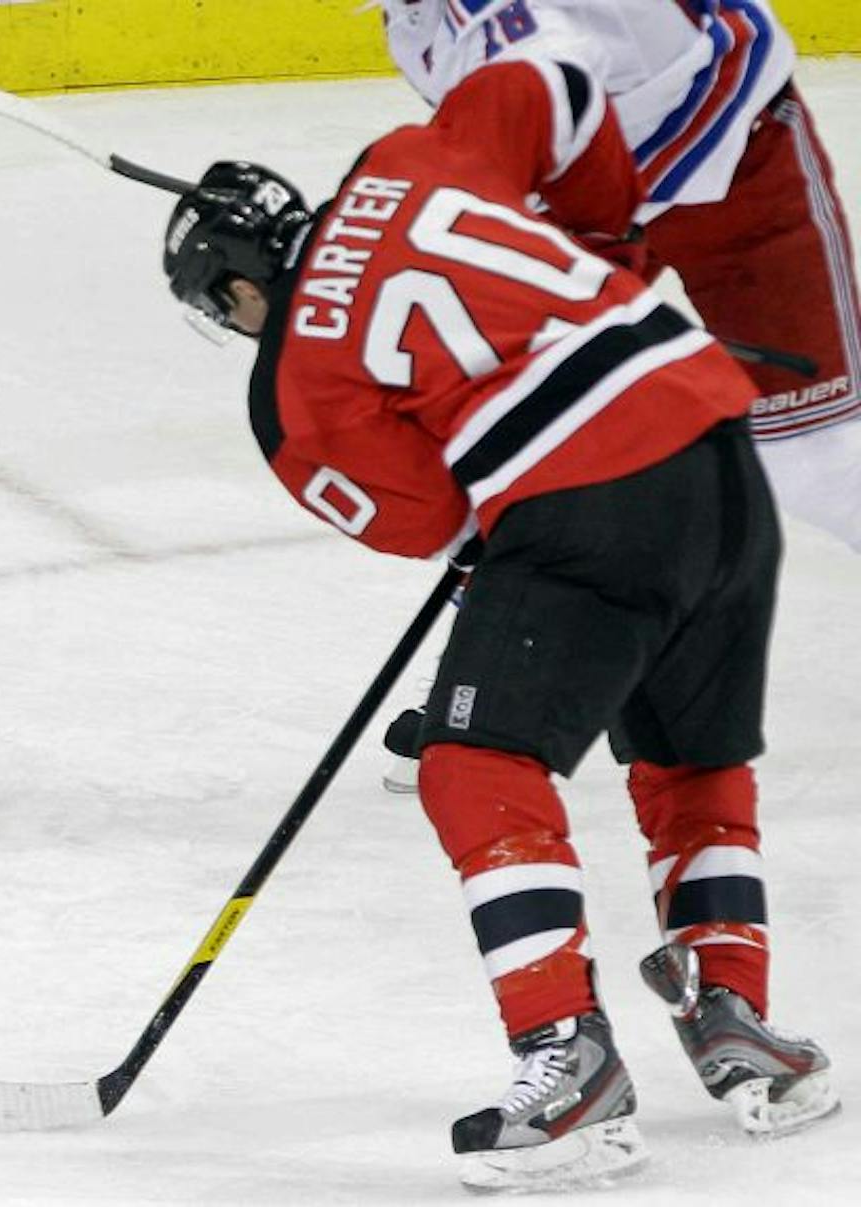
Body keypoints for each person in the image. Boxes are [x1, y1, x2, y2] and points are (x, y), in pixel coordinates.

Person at [160, 56, 836, 1189]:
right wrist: (608, 257)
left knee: (472, 761)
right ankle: (735, 1017)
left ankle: (568, 1061)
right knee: (688, 755)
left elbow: (424, 517)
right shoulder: (406, 157)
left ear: (235, 291)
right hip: (718, 444)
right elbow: (554, 87)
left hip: (595, 502)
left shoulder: (289, 390)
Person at [372, 0, 861, 784]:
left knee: (817, 456)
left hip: (735, 153)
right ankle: (494, 690)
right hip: (591, 201)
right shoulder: (414, 23)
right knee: (518, 444)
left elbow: (542, 68)